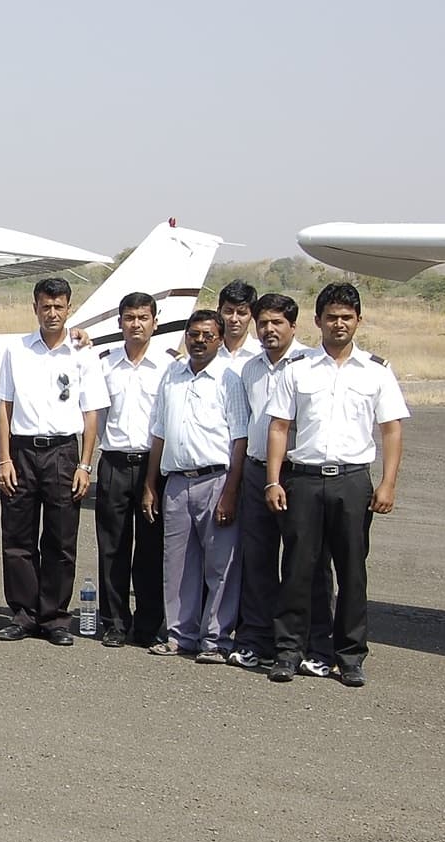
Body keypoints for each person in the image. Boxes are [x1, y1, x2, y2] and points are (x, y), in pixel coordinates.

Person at [264, 283, 409, 687]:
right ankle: (288, 652)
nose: (339, 324)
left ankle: (349, 657)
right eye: (331, 317)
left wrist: (388, 484)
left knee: (352, 572)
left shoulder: (376, 371)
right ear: (318, 321)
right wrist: (273, 481)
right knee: (297, 570)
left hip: (352, 481)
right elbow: (279, 427)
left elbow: (391, 429)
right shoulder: (298, 368)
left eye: (347, 317)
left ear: (359, 320)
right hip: (304, 480)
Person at [0, 278, 109, 646]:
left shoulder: (82, 353)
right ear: (35, 308)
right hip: (22, 451)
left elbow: (91, 412)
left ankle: (55, 617)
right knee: (18, 538)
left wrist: (85, 465)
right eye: (46, 306)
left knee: (61, 539)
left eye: (59, 306)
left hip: (63, 453)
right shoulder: (16, 350)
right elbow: (4, 405)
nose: (52, 313)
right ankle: (24, 614)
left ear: (69, 308)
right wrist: (4, 458)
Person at [227, 293, 332, 672]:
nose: (269, 330)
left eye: (277, 323)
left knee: (307, 563)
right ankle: (256, 640)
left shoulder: (311, 364)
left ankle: (313, 643)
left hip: (299, 473)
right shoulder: (250, 369)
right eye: (263, 323)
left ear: (294, 325)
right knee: (257, 560)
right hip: (257, 471)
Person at [141, 311, 248, 661]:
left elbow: (240, 439)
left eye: (207, 335)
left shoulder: (229, 378)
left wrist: (231, 492)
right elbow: (159, 431)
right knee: (177, 566)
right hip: (176, 482)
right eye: (193, 334)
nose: (199, 341)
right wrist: (151, 483)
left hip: (216, 481)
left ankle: (216, 640)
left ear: (220, 339)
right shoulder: (172, 375)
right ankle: (179, 636)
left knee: (221, 567)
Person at [93, 293, 169, 648]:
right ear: (119, 322)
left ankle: (150, 623)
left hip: (154, 465)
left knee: (151, 548)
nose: (136, 324)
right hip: (115, 463)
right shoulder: (105, 364)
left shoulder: (169, 365)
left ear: (155, 321)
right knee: (112, 547)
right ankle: (114, 621)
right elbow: (97, 417)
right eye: (129, 318)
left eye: (143, 317)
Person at [215, 280, 262, 374]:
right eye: (228, 312)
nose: (234, 319)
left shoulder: (262, 354)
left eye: (241, 313)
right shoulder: (206, 353)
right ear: (219, 312)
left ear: (252, 315)